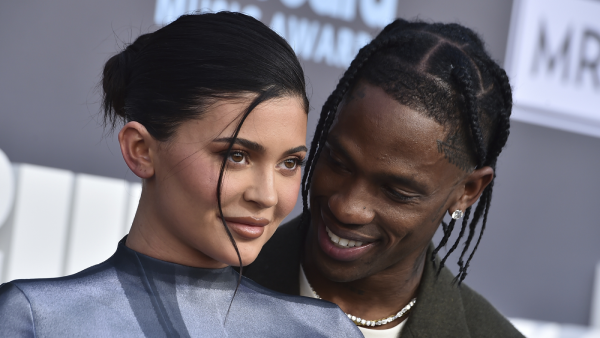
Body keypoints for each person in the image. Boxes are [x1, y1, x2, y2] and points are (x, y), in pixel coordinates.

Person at [0, 12, 362, 337]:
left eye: (289, 163)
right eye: (236, 155)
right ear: (141, 150)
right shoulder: (37, 319)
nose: (267, 196)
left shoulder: (324, 332)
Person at [245, 19, 525, 338]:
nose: (347, 208)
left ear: (467, 191)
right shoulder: (209, 280)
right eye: (338, 162)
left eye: (396, 192)